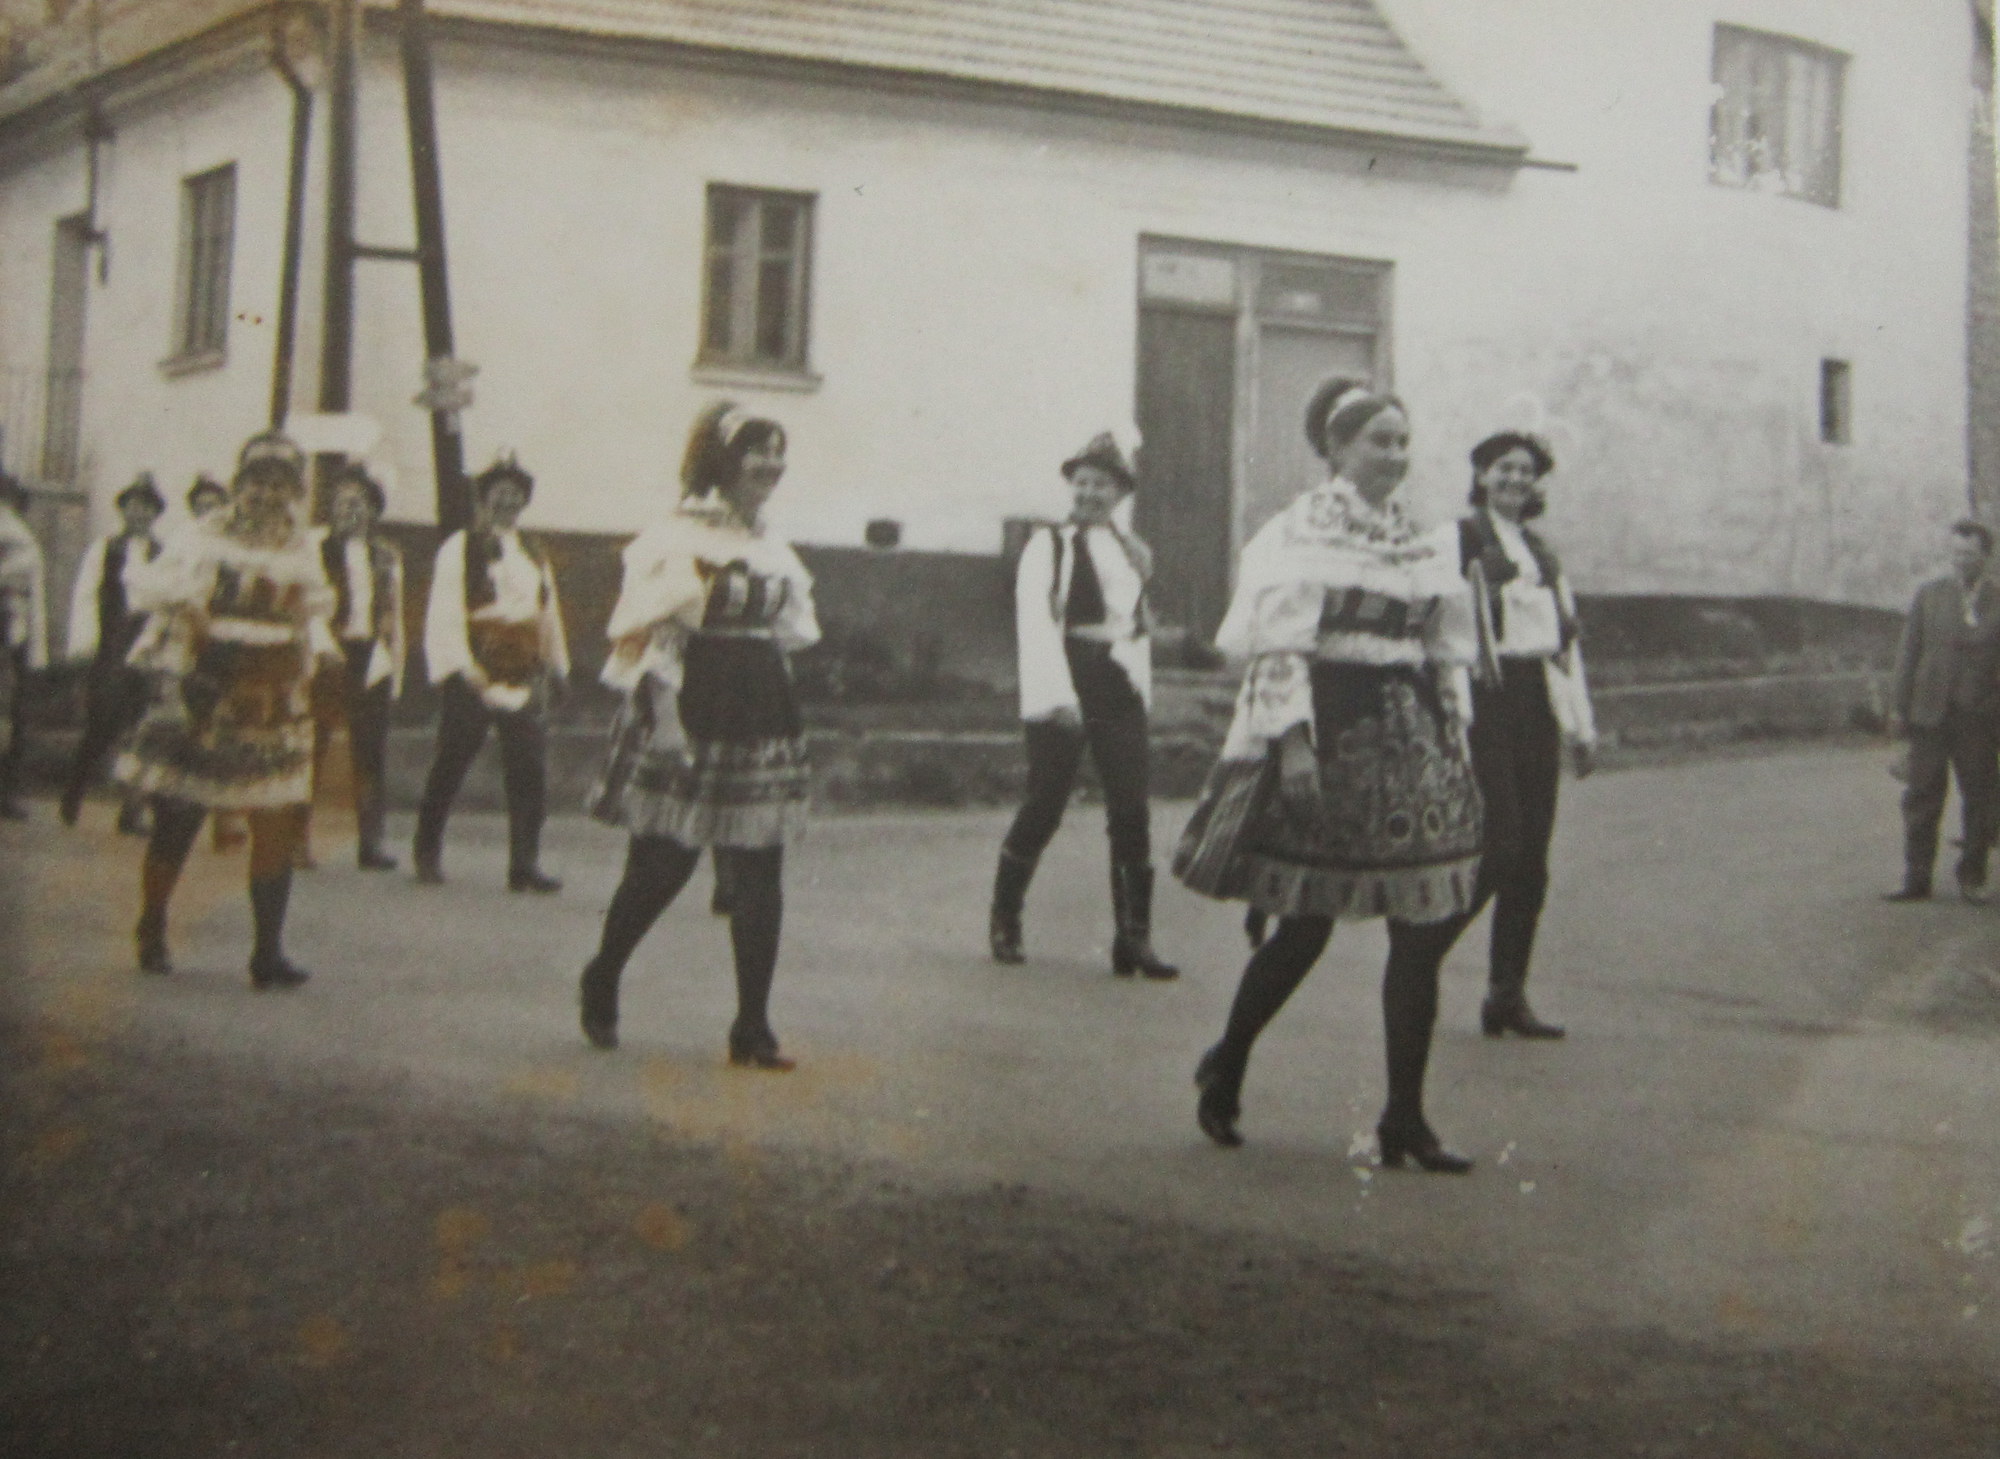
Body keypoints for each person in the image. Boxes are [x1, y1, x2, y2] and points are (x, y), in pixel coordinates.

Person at [1174, 378, 1485, 1173]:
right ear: (1338, 448)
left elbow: (1444, 646)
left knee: (1419, 928)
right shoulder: (1302, 530)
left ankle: (1404, 1117)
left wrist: (1455, 734)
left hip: (1412, 738)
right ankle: (1228, 1059)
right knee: (1306, 922)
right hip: (1333, 730)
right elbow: (1281, 647)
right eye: (1379, 440)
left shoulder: (1418, 536)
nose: (1395, 454)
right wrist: (1294, 746)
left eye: (1403, 441)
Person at [577, 402, 818, 1068]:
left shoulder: (770, 544)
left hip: (759, 709)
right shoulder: (679, 536)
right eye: (757, 450)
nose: (772, 464)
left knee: (761, 866)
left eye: (778, 452)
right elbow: (658, 634)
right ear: (723, 459)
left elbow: (784, 632)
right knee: (663, 865)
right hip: (694, 702)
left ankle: (752, 1027)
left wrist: (779, 705)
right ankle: (603, 971)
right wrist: (664, 720)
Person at [116, 432, 336, 987]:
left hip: (272, 697)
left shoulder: (300, 548)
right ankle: (152, 926)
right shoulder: (204, 535)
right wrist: (188, 633)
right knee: (181, 813)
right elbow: (157, 594)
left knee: (275, 818)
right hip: (208, 690)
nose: (266, 495)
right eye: (256, 482)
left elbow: (311, 615)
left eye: (279, 485)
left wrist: (313, 664)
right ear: (239, 486)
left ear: (294, 494)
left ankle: (267, 953)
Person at [988, 428, 1178, 979]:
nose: (1091, 493)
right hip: (1065, 674)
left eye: (1103, 485)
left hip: (1116, 681)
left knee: (1131, 807)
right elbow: (1036, 625)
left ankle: (1133, 938)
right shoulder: (1048, 546)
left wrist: (1138, 688)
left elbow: (1132, 626)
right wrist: (1057, 698)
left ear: (1120, 493)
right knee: (1046, 800)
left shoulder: (1129, 550)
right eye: (1083, 483)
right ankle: (1005, 918)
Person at [1450, 431, 1597, 1038]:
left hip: (1536, 699)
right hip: (1486, 697)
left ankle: (1505, 994)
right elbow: (1447, 632)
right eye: (1503, 468)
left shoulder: (1543, 555)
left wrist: (1581, 727)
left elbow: (1565, 648)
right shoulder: (1461, 539)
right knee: (1501, 843)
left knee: (1532, 858)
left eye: (1526, 470)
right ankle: (1420, 952)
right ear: (1482, 475)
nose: (1515, 478)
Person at [412, 457, 568, 891]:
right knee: (453, 759)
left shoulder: (533, 551)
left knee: (529, 766)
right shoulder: (460, 547)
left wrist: (556, 665)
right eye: (499, 494)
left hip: (523, 668)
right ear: (483, 499)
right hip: (477, 664)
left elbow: (547, 611)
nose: (507, 502)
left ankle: (524, 865)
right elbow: (445, 609)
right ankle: (426, 850)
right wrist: (465, 668)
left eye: (515, 495)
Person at [1885, 518, 2000, 902]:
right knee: (1921, 797)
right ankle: (1916, 880)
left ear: (1986, 557)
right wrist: (1899, 709)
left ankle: (1972, 877)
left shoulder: (1998, 600)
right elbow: (1908, 654)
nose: (1961, 561)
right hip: (1929, 714)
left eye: (1969, 554)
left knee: (1980, 798)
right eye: (1956, 553)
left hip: (1978, 719)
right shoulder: (1930, 595)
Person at [60, 473, 166, 833]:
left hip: (147, 647)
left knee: (142, 729)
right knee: (102, 723)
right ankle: (74, 791)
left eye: (147, 508)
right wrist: (86, 643)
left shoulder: (161, 553)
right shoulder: (105, 549)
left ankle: (131, 810)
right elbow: (87, 595)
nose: (140, 513)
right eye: (133, 506)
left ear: (155, 514)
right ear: (123, 510)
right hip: (112, 647)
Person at [314, 465, 405, 870]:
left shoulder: (386, 555)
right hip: (328, 652)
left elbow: (395, 614)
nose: (349, 511)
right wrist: (322, 649)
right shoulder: (317, 550)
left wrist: (394, 669)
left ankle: (371, 842)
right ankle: (295, 837)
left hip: (371, 658)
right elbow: (308, 607)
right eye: (342, 503)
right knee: (314, 744)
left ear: (372, 510)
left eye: (358, 503)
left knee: (370, 752)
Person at [182, 474, 250, 853]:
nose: (209, 512)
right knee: (198, 734)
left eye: (215, 505)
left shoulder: (238, 546)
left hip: (234, 648)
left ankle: (225, 819)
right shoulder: (187, 544)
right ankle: (184, 814)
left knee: (232, 733)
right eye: (201, 506)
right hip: (196, 649)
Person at [0, 470, 48, 818]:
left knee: (9, 714)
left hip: (9, 632)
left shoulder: (20, 539)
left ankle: (5, 792)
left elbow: (29, 594)